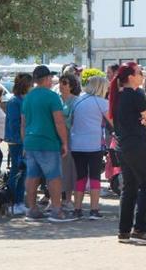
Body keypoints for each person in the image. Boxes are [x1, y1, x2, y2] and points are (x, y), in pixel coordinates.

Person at [111, 62, 146, 243]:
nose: (142, 76)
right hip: (137, 145)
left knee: (129, 187)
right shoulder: (136, 94)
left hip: (122, 146)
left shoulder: (117, 95)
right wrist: (145, 122)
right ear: (130, 77)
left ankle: (124, 231)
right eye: (139, 73)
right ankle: (140, 229)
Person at [22, 65, 73, 223]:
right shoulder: (52, 96)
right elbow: (59, 122)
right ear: (46, 79)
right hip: (48, 141)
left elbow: (23, 123)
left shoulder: (28, 97)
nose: (52, 80)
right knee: (54, 177)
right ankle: (56, 211)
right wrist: (64, 142)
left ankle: (32, 209)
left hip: (30, 141)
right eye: (50, 78)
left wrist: (25, 143)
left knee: (32, 176)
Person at [70, 76, 111, 220]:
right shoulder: (102, 102)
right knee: (94, 177)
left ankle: (77, 209)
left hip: (76, 144)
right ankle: (94, 210)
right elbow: (113, 121)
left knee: (80, 177)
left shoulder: (77, 100)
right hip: (94, 144)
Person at [4, 73, 31, 216]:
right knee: (17, 172)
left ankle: (19, 202)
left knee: (23, 172)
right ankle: (12, 202)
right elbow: (15, 123)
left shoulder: (21, 100)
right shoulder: (15, 101)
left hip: (22, 140)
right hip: (17, 141)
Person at [58, 73, 81, 210]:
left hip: (70, 137)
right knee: (56, 168)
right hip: (56, 137)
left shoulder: (76, 100)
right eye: (61, 82)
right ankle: (55, 198)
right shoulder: (56, 99)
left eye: (65, 83)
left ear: (71, 85)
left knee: (69, 168)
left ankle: (68, 199)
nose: (61, 85)